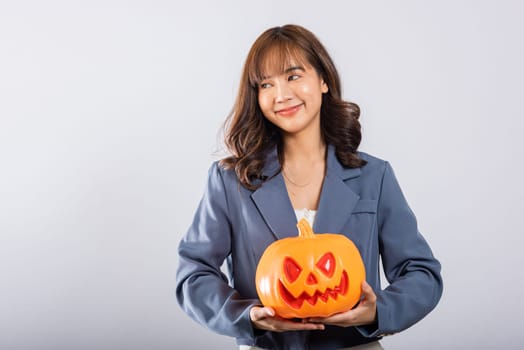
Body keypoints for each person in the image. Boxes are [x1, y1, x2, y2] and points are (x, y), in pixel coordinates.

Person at [176, 24, 443, 350]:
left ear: (323, 79)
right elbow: (193, 273)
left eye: (293, 76)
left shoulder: (374, 175)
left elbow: (421, 273)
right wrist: (248, 316)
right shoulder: (231, 180)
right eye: (266, 84)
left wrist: (377, 312)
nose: (281, 95)